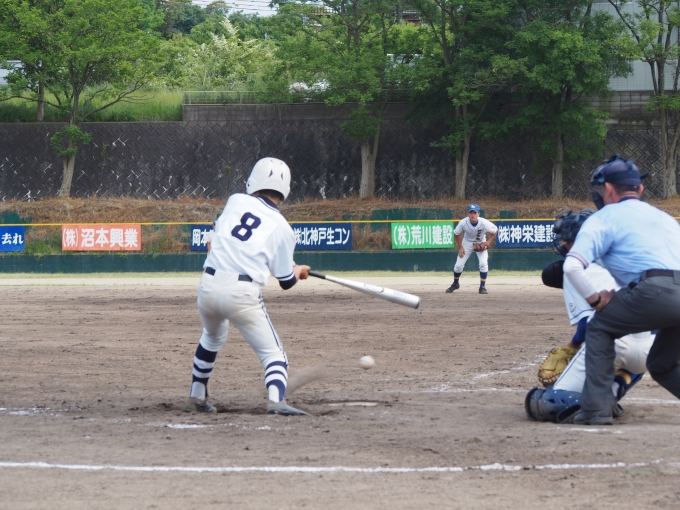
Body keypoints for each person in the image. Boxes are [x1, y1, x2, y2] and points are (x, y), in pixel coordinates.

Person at [184, 157, 312, 416]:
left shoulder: (235, 201)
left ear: (254, 181)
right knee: (273, 354)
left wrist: (291, 267)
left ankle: (197, 395)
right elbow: (285, 281)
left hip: (208, 285)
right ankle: (276, 401)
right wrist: (298, 271)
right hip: (242, 294)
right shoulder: (284, 229)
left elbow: (217, 238)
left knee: (211, 337)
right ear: (285, 190)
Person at [563, 154, 680, 425]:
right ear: (640, 188)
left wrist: (596, 301)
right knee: (661, 365)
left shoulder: (605, 216)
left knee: (599, 328)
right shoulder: (665, 218)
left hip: (653, 290)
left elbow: (572, 267)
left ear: (607, 189)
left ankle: (596, 409)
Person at [525, 209, 654, 423]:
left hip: (613, 345)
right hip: (649, 348)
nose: (565, 244)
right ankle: (612, 392)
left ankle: (595, 403)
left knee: (543, 402)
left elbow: (587, 327)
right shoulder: (624, 261)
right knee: (634, 358)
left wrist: (572, 345)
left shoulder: (574, 267)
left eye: (567, 240)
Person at [446, 204, 498, 294]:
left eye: (475, 213)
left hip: (481, 242)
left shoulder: (484, 222)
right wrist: (461, 247)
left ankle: (482, 287)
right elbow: (456, 233)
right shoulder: (463, 222)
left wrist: (488, 242)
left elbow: (495, 230)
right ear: (468, 214)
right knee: (458, 266)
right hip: (467, 243)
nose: (472, 215)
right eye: (471, 213)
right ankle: (455, 284)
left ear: (478, 214)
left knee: (483, 263)